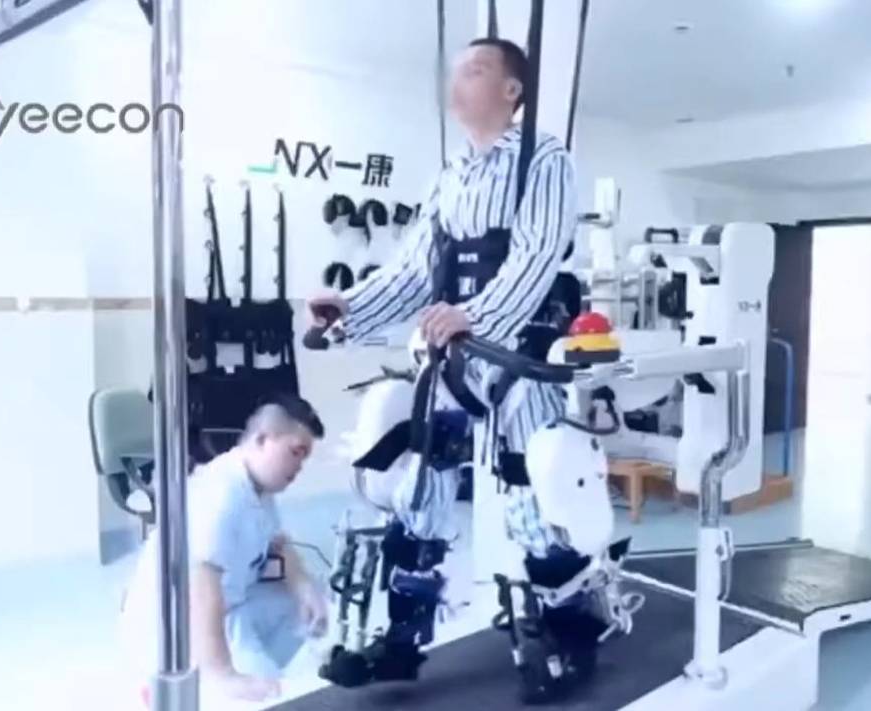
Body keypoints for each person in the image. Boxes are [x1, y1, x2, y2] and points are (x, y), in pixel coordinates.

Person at [308, 37, 604, 703]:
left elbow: (537, 254)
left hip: (519, 350)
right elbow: (416, 267)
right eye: (457, 71)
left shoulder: (543, 159)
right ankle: (402, 640)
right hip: (455, 351)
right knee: (422, 486)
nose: (458, 81)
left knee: (532, 495)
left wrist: (476, 315)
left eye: (476, 70)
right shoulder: (451, 175)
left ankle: (572, 629)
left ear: (511, 90)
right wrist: (350, 308)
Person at [119, 395, 328, 704]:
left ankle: (253, 666)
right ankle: (203, 681)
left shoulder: (256, 486)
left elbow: (277, 543)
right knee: (266, 697)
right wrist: (224, 675)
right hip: (177, 627)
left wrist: (304, 587)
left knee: (307, 602)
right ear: (262, 440)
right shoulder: (222, 493)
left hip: (230, 607)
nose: (299, 466)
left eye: (304, 457)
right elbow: (201, 589)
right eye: (295, 452)